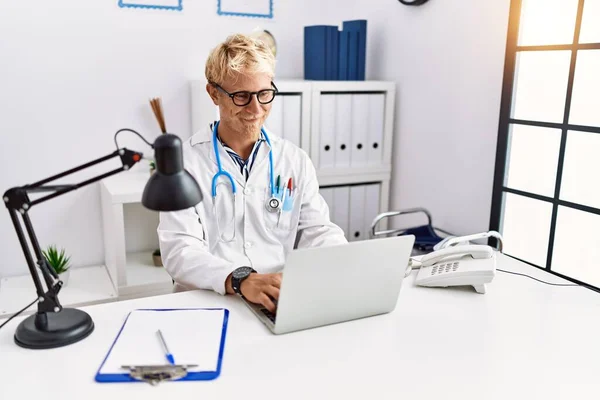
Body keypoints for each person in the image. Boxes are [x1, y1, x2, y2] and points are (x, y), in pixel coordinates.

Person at [157, 33, 347, 313]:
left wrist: (343, 258)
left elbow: (317, 230)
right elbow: (179, 251)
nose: (256, 109)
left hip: (277, 299)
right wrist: (241, 279)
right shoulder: (184, 164)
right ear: (213, 94)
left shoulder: (294, 159)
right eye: (242, 96)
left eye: (264, 93)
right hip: (210, 301)